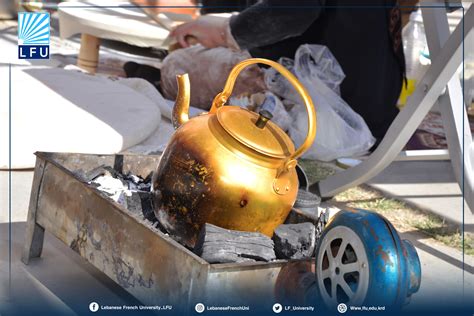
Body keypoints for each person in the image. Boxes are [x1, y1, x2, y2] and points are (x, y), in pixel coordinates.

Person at [170, 0, 405, 143]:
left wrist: (225, 31)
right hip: (378, 98)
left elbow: (293, 12)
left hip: (331, 110)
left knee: (178, 65)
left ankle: (270, 110)